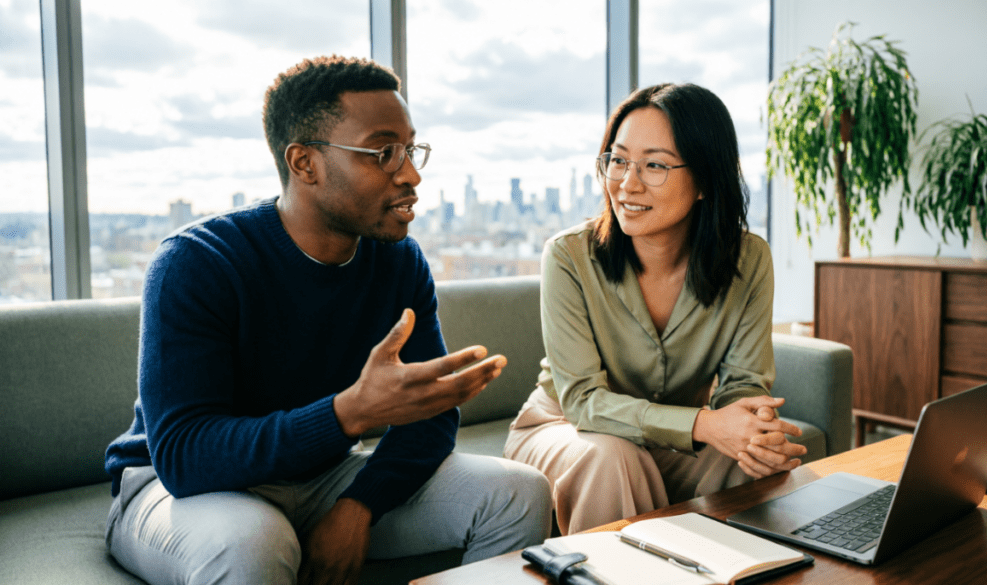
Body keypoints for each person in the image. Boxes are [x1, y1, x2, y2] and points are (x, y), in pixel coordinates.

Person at [103, 55, 551, 585]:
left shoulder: (398, 261)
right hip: (179, 489)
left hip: (323, 476)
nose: (411, 174)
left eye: (410, 150)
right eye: (383, 153)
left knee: (521, 492)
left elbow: (430, 416)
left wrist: (358, 507)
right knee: (252, 544)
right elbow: (184, 456)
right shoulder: (197, 262)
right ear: (304, 164)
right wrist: (347, 414)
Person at [503, 83, 807, 535]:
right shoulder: (568, 256)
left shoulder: (748, 260)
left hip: (670, 444)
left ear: (705, 179)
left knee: (754, 464)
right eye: (619, 160)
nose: (627, 183)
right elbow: (584, 403)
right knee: (614, 457)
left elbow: (742, 384)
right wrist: (703, 424)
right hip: (568, 431)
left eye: (655, 165)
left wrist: (754, 431)